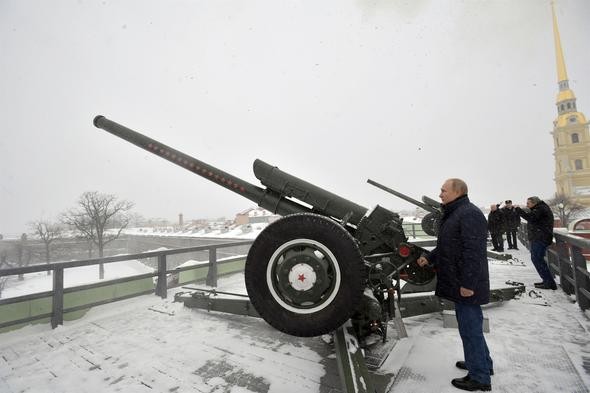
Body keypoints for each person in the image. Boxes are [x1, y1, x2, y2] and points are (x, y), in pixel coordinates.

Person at [417, 178, 492, 391]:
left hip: (466, 283)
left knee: (470, 330)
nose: (440, 194)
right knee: (471, 326)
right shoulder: (456, 213)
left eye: (443, 190)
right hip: (460, 280)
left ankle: (479, 378)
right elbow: (448, 245)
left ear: (457, 192)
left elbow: (473, 252)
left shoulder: (468, 214)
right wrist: (430, 258)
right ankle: (483, 363)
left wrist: (468, 284)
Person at [515, 196, 557, 290]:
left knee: (537, 259)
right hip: (539, 237)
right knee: (537, 259)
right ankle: (547, 281)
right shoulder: (539, 208)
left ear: (534, 203)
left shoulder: (540, 209)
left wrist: (519, 210)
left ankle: (549, 282)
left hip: (540, 238)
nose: (527, 205)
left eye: (528, 203)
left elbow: (530, 218)